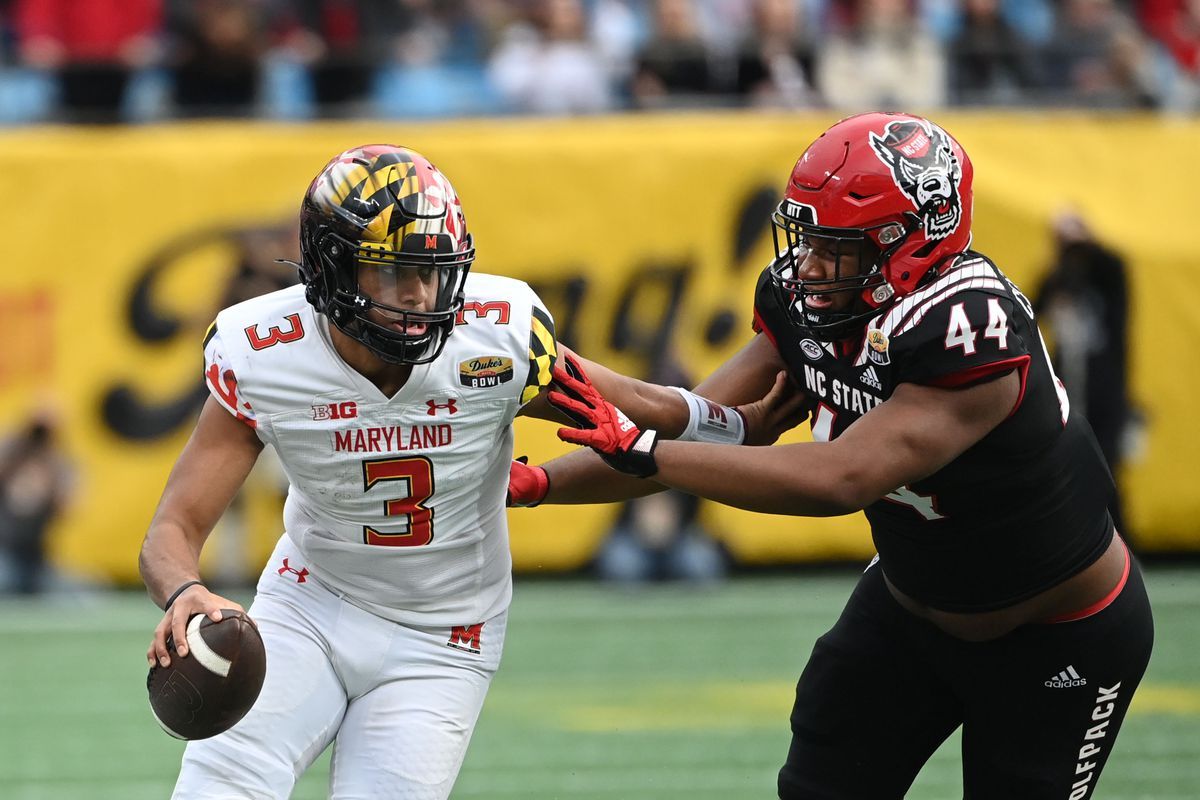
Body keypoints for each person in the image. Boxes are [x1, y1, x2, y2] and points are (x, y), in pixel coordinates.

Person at [509, 112, 1154, 799]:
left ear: (912, 241)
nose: (809, 265)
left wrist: (649, 453)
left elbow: (841, 478)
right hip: (910, 612)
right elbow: (691, 420)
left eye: (836, 247)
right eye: (807, 238)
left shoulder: (968, 327)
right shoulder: (808, 299)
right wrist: (534, 474)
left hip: (1058, 632)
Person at [138, 143, 701, 798]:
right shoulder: (268, 355)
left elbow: (651, 415)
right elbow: (172, 527)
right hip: (310, 602)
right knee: (219, 787)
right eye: (392, 272)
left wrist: (743, 421)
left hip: (443, 633)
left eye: (432, 271)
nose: (419, 294)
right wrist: (185, 592)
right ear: (332, 270)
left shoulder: (497, 340)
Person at [0, 411, 74, 594]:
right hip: (5, 552)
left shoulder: (56, 464)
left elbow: (67, 508)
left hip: (37, 558)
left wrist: (50, 477)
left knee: (79, 595)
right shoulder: (11, 458)